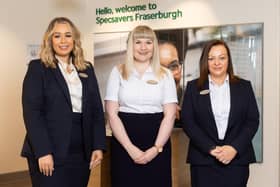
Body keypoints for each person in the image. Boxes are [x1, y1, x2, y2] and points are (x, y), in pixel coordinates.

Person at [21, 17, 106, 187]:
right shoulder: (38, 68)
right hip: (49, 149)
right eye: (57, 36)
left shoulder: (86, 68)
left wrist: (98, 145)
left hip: (81, 152)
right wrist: (43, 151)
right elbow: (33, 113)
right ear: (49, 40)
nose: (63, 41)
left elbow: (97, 111)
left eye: (68, 35)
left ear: (74, 39)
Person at [105, 25, 177, 187]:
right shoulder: (117, 72)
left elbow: (170, 115)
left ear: (154, 46)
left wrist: (156, 148)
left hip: (158, 141)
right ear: (131, 46)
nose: (143, 47)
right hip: (124, 142)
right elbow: (111, 113)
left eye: (148, 42)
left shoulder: (166, 75)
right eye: (138, 42)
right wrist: (129, 147)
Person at [181, 39, 259, 187]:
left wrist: (234, 148)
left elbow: (252, 121)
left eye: (222, 58)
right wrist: (210, 148)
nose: (217, 63)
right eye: (211, 58)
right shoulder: (193, 87)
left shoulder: (244, 87)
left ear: (228, 60)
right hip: (203, 161)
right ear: (205, 61)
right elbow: (188, 122)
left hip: (236, 161)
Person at [159, 42, 183, 124]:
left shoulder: (192, 97)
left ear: (180, 68)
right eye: (161, 69)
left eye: (173, 66)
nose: (169, 75)